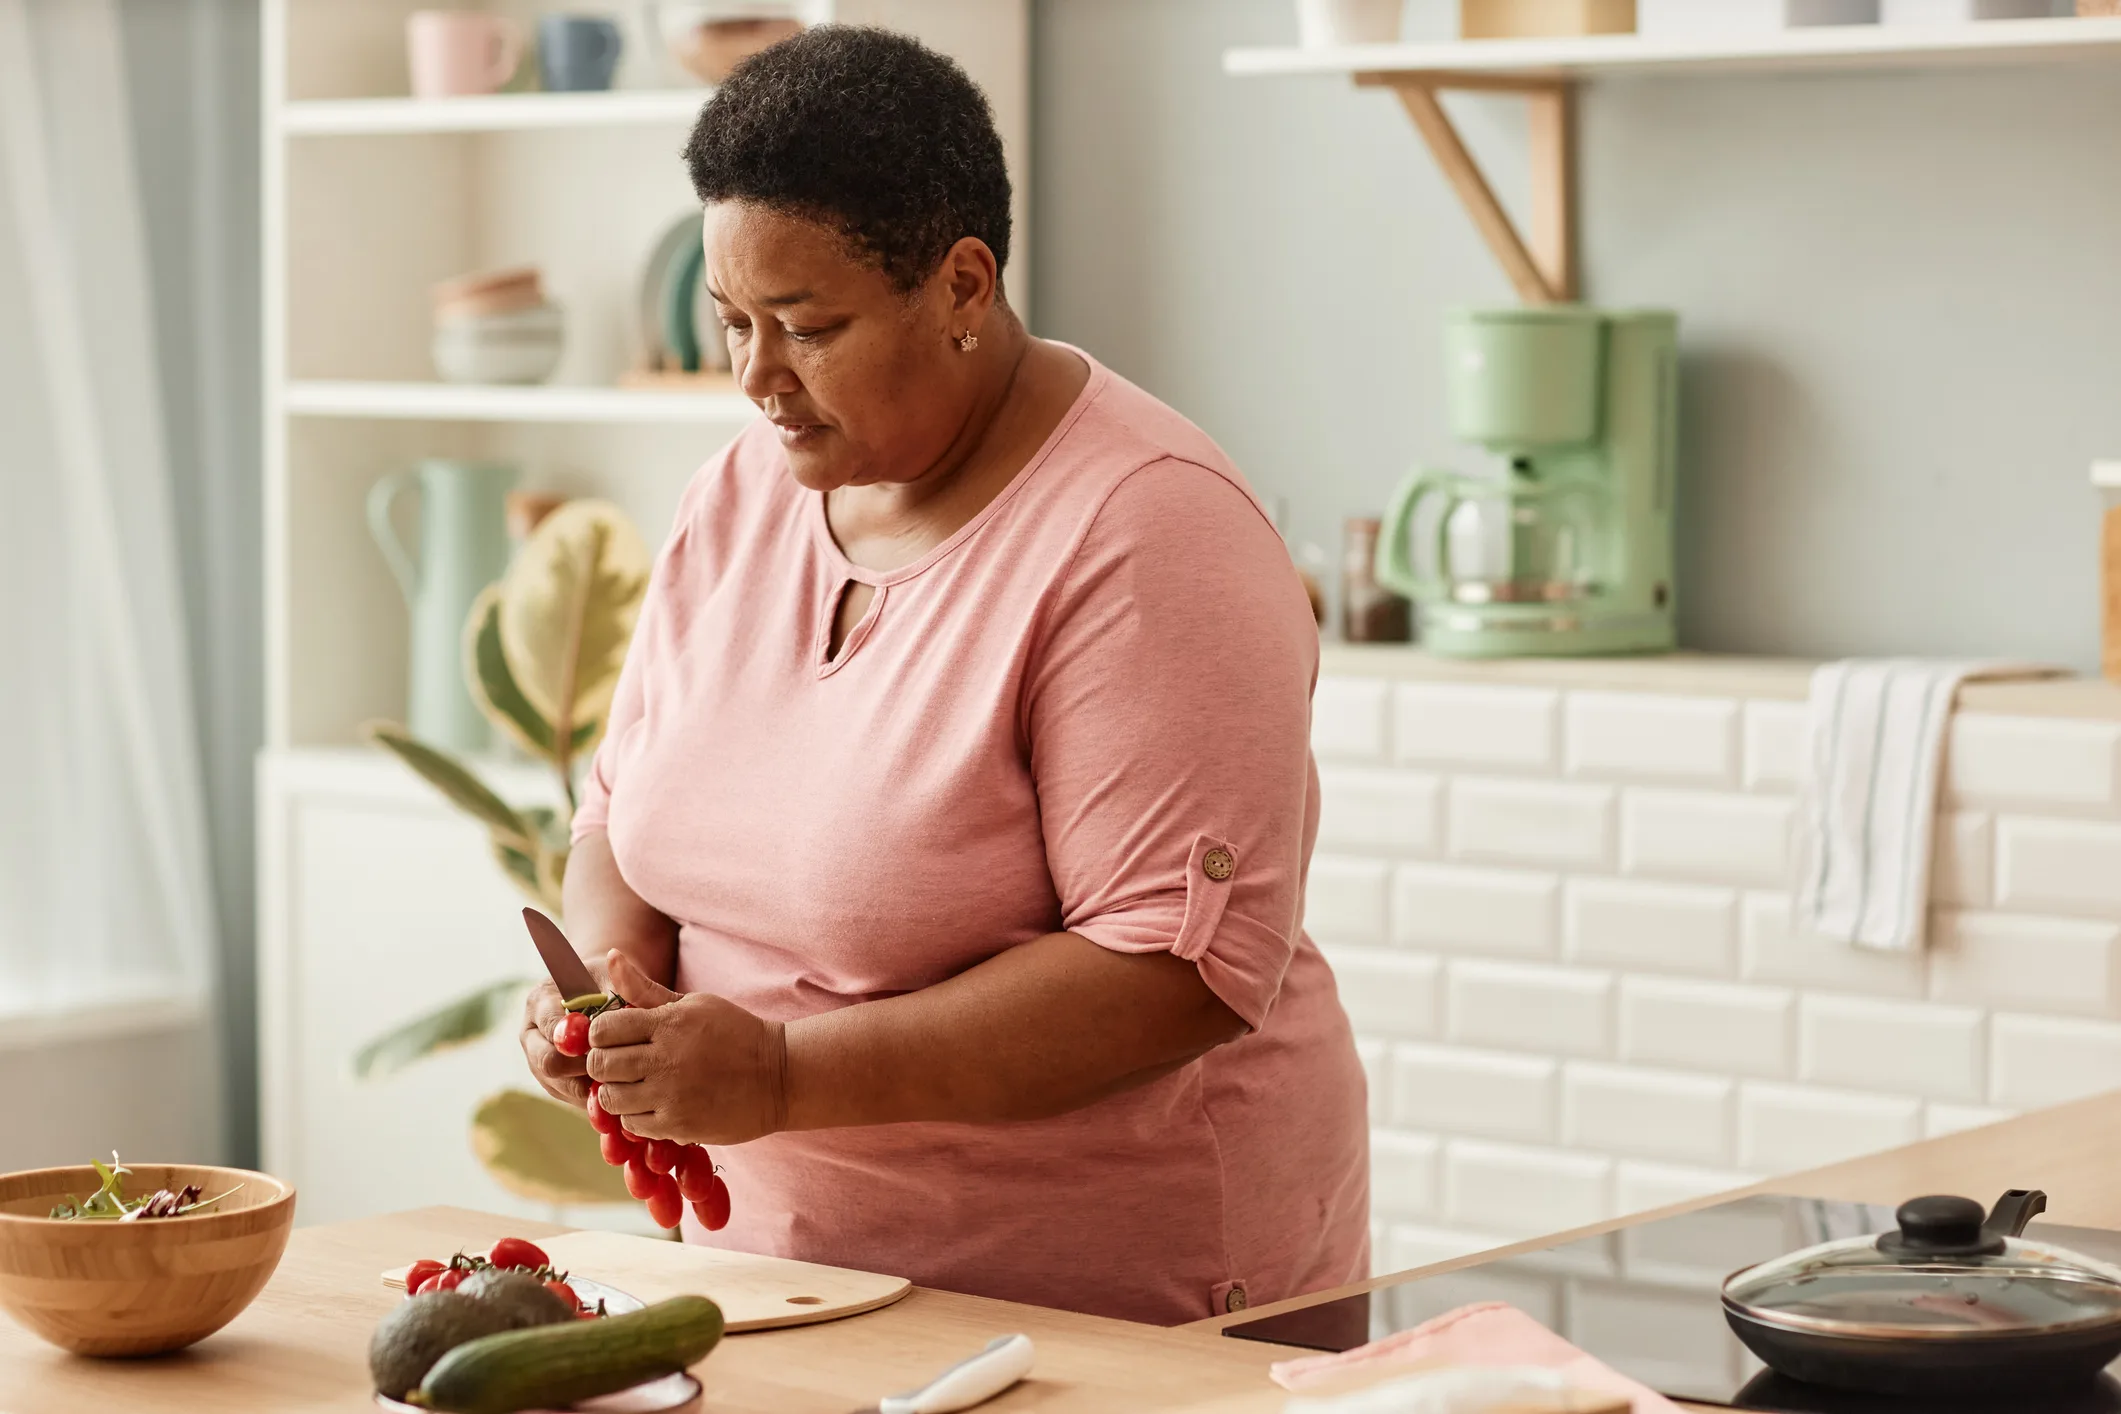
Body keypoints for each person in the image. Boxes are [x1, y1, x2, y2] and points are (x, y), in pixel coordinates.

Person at [519, 24, 1367, 1325]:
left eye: (807, 326)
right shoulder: (737, 497)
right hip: (782, 1289)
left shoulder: (1148, 533)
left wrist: (786, 1079)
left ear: (965, 286)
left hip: (1117, 1313)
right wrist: (605, 991)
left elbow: (1165, 976)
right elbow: (620, 813)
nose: (755, 377)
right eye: (731, 320)